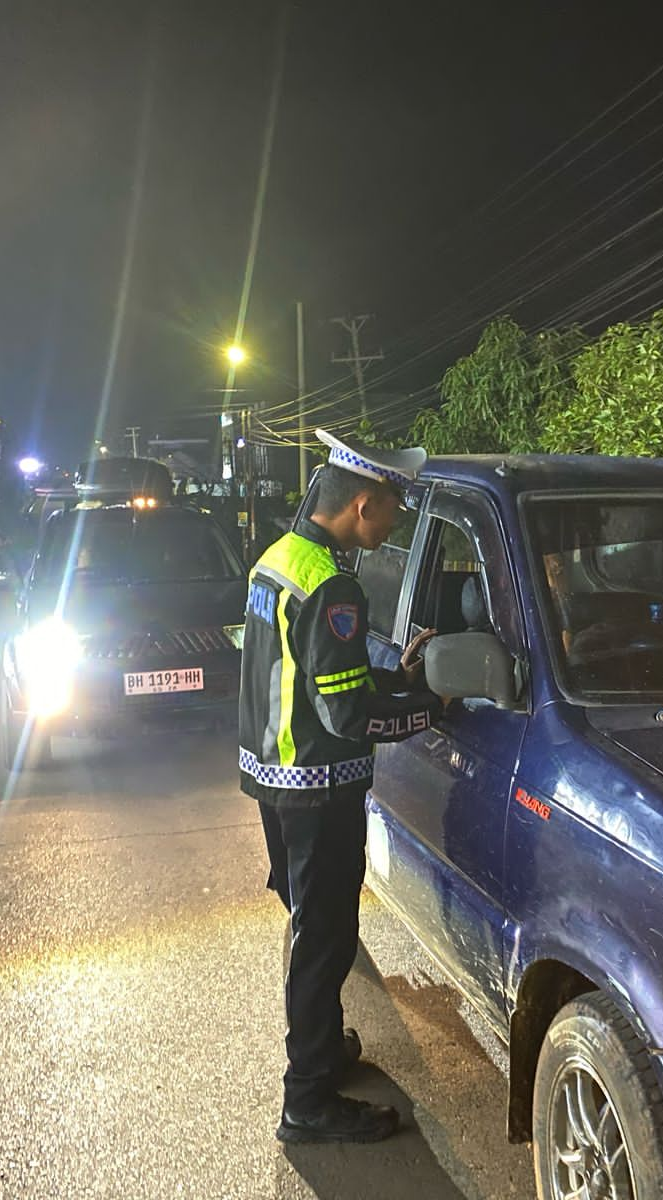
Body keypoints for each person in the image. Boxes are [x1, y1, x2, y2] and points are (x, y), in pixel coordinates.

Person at [238, 429, 443, 1146]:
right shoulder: (333, 585)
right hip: (318, 791)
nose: (393, 530)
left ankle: (321, 1052)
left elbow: (309, 677)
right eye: (392, 514)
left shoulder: (278, 561)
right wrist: (430, 706)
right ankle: (308, 1102)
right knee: (325, 939)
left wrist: (394, 678)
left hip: (275, 778)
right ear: (363, 503)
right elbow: (348, 713)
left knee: (311, 930)